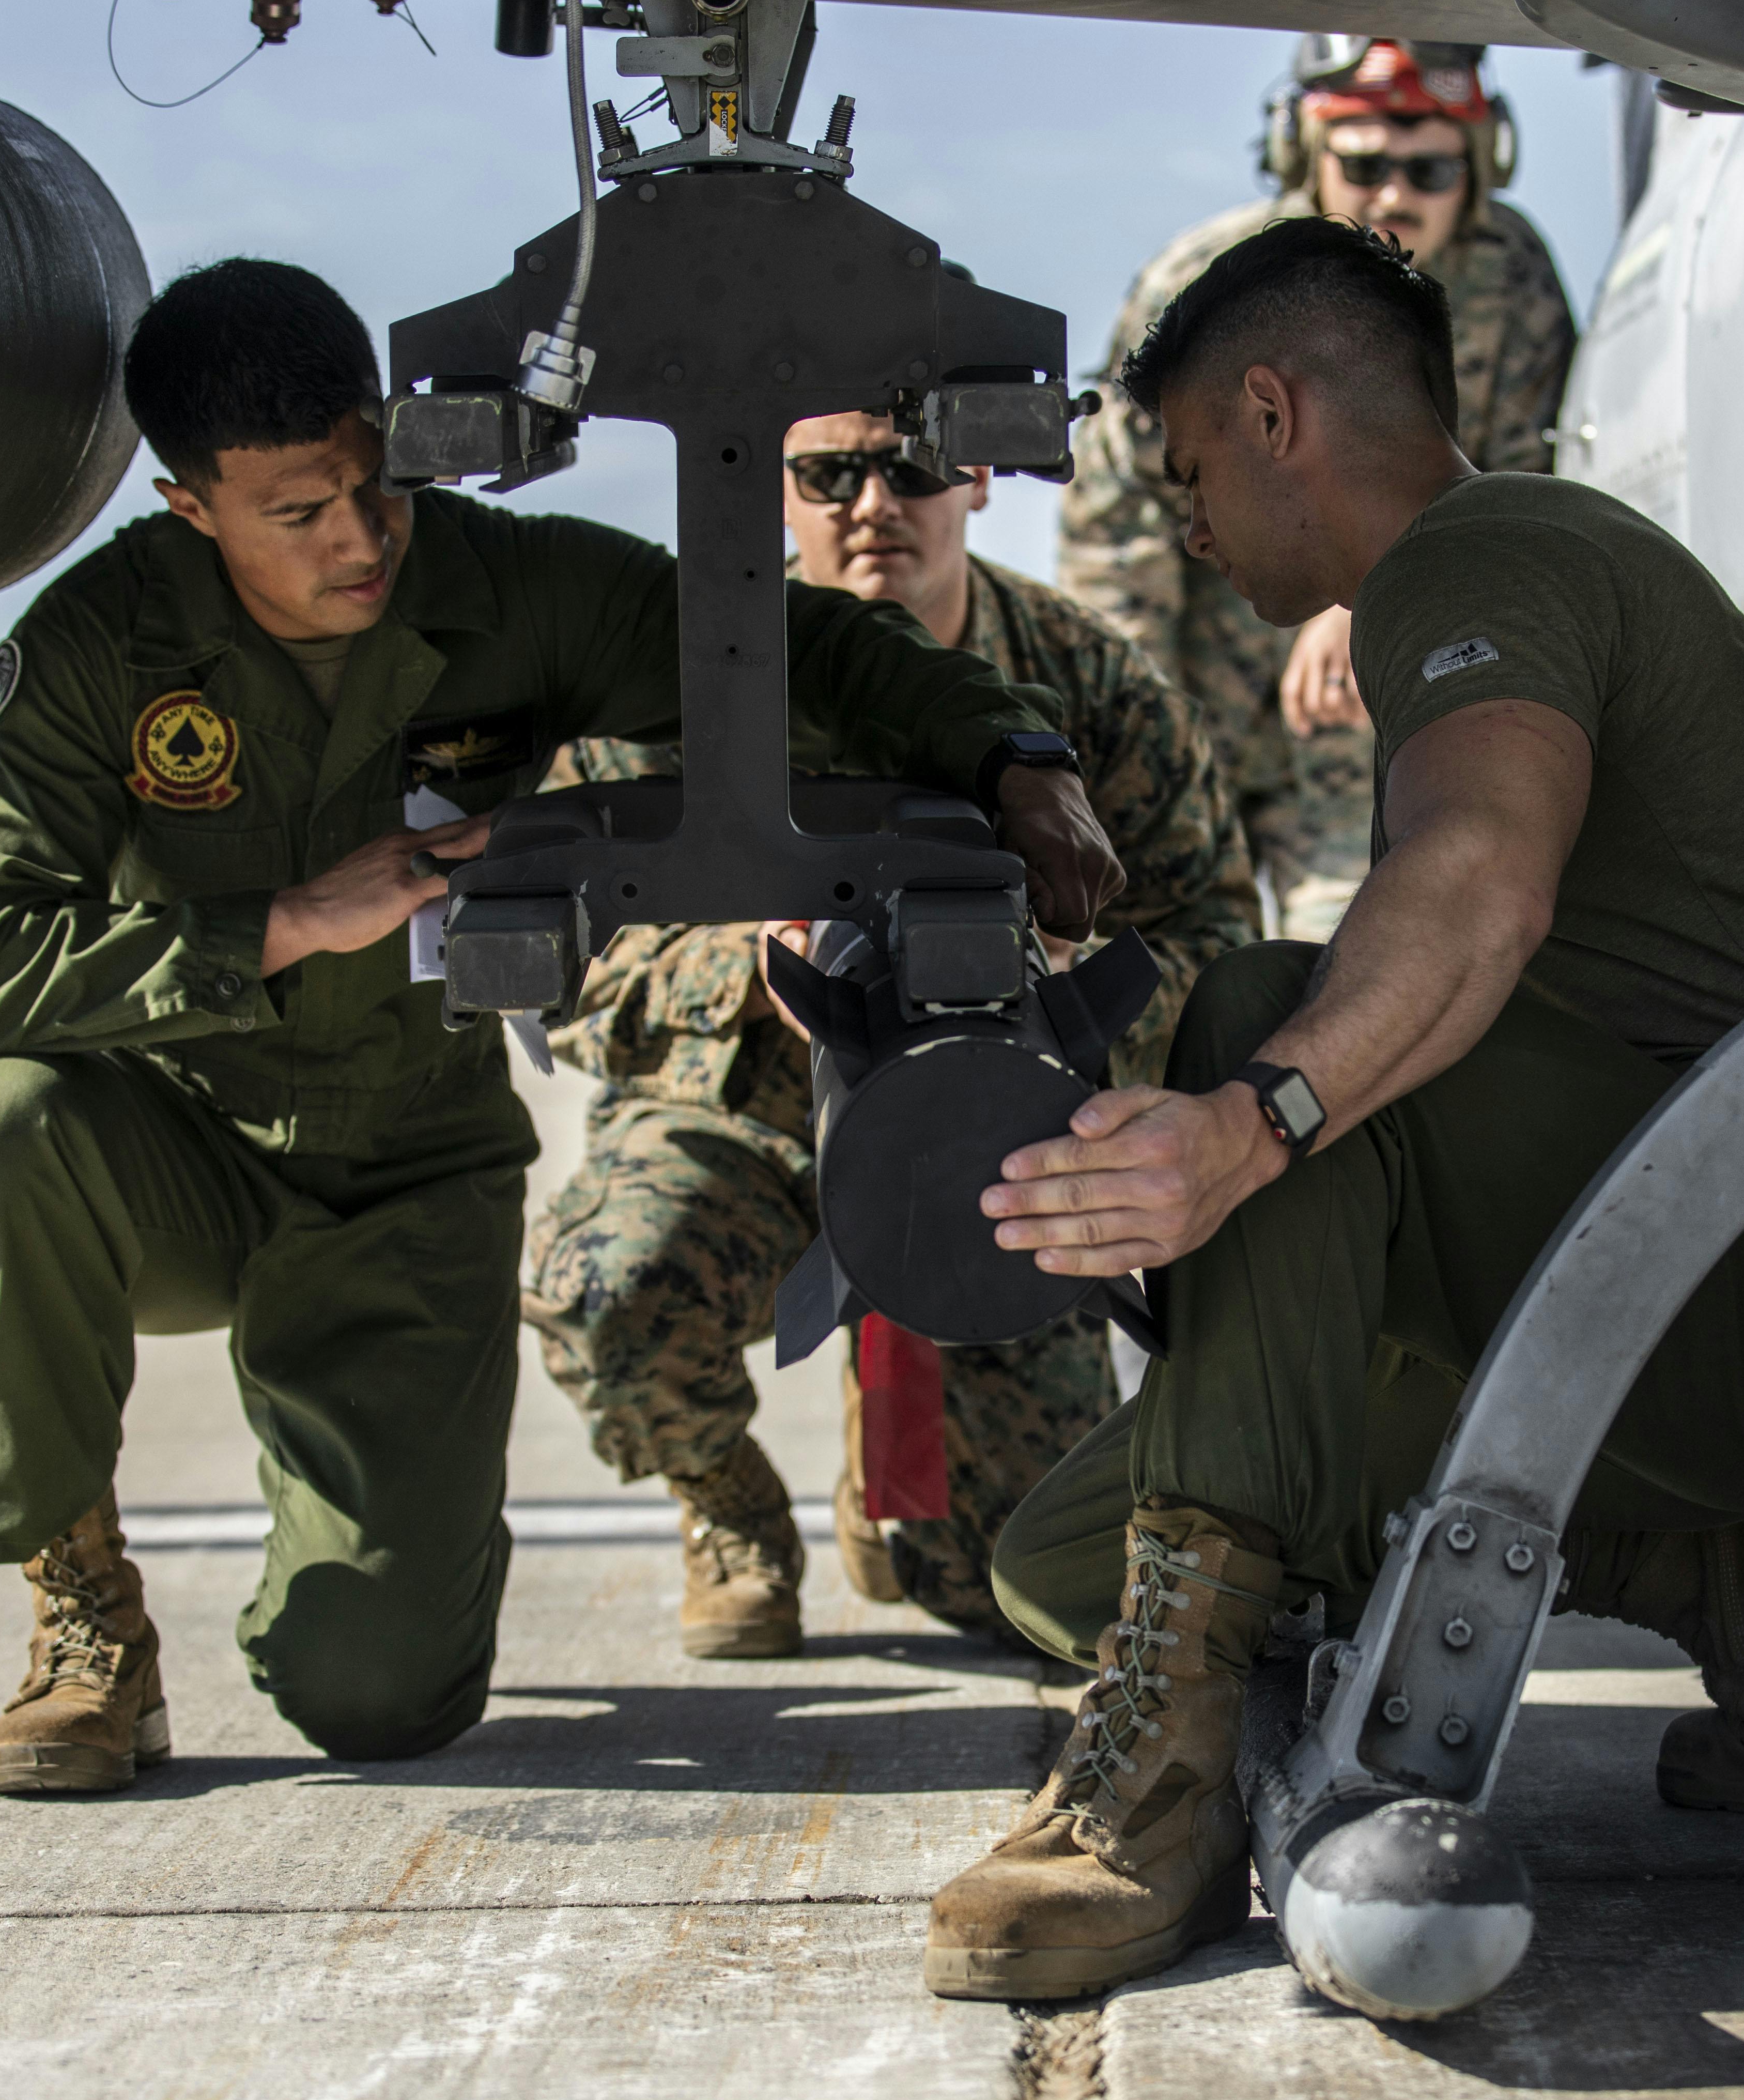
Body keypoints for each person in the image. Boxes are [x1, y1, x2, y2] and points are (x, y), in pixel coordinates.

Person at [919, 220, 1744, 2002]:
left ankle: (1157, 1806)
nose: (1184, 527)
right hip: (1661, 1268)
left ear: (1275, 414)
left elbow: (1484, 875)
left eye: (1190, 473)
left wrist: (1241, 1130)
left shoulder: (1490, 552)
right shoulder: (1491, 572)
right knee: (1058, 1557)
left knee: (1277, 1011)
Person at [0, 260, 1119, 1797]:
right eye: (297, 515)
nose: (358, 541)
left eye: (373, 486)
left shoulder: (501, 588)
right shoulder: (96, 654)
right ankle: (84, 1612)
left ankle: (367, 1584)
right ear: (187, 506)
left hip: (403, 1179)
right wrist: (287, 921)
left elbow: (789, 650)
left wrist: (1014, 754)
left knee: (383, 1700)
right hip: (175, 1153)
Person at [524, 411, 1256, 1657]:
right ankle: (733, 1508)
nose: (874, 502)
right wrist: (749, 964)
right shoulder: (670, 684)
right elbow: (567, 962)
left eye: (911, 465)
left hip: (1003, 1143)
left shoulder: (1086, 688)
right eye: (827, 472)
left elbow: (1216, 945)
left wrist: (1061, 992)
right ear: (774, 490)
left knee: (1005, 1590)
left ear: (974, 475)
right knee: (611, 1288)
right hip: (749, 1119)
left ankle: (897, 1471)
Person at [1061, 37, 1577, 941]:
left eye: (1429, 170)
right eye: (1364, 163)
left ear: (1482, 165)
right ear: (1306, 155)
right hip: (1199, 703)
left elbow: (1512, 504)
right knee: (1159, 968)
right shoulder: (1205, 287)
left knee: (1347, 960)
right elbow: (1116, 523)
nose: (1394, 197)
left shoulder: (1513, 284)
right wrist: (1140, 734)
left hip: (1367, 717)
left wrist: (1370, 588)